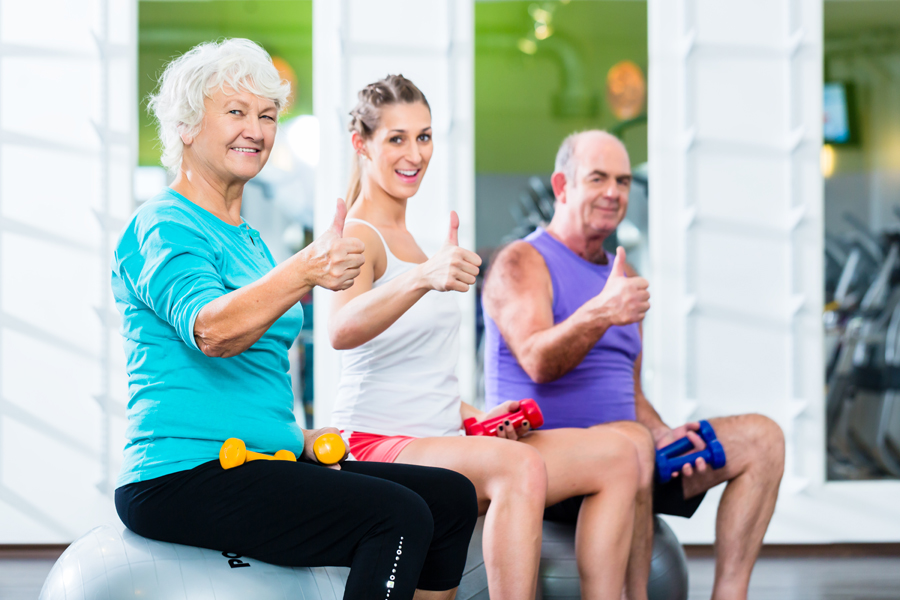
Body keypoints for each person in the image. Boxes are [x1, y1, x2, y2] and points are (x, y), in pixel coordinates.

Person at [111, 39, 477, 600]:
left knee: (449, 499)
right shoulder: (164, 223)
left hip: (264, 459)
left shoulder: (251, 242)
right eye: (235, 112)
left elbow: (254, 372)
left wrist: (298, 436)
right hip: (181, 474)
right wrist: (304, 269)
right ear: (186, 126)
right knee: (398, 515)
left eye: (267, 114)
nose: (255, 129)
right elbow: (211, 330)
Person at [329, 75, 648, 600]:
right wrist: (422, 277)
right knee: (521, 468)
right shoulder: (359, 235)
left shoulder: (418, 241)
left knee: (618, 456)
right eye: (397, 138)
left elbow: (418, 367)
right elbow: (341, 329)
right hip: (371, 444)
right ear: (362, 143)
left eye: (424, 137)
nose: (415, 154)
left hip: (442, 440)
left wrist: (473, 416)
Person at [482, 129, 786, 600]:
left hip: (634, 453)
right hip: (553, 463)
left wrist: (665, 432)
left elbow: (630, 392)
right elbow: (538, 361)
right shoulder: (521, 262)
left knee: (762, 439)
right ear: (562, 187)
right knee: (631, 444)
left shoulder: (625, 279)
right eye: (598, 178)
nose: (613, 192)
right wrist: (603, 311)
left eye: (622, 181)